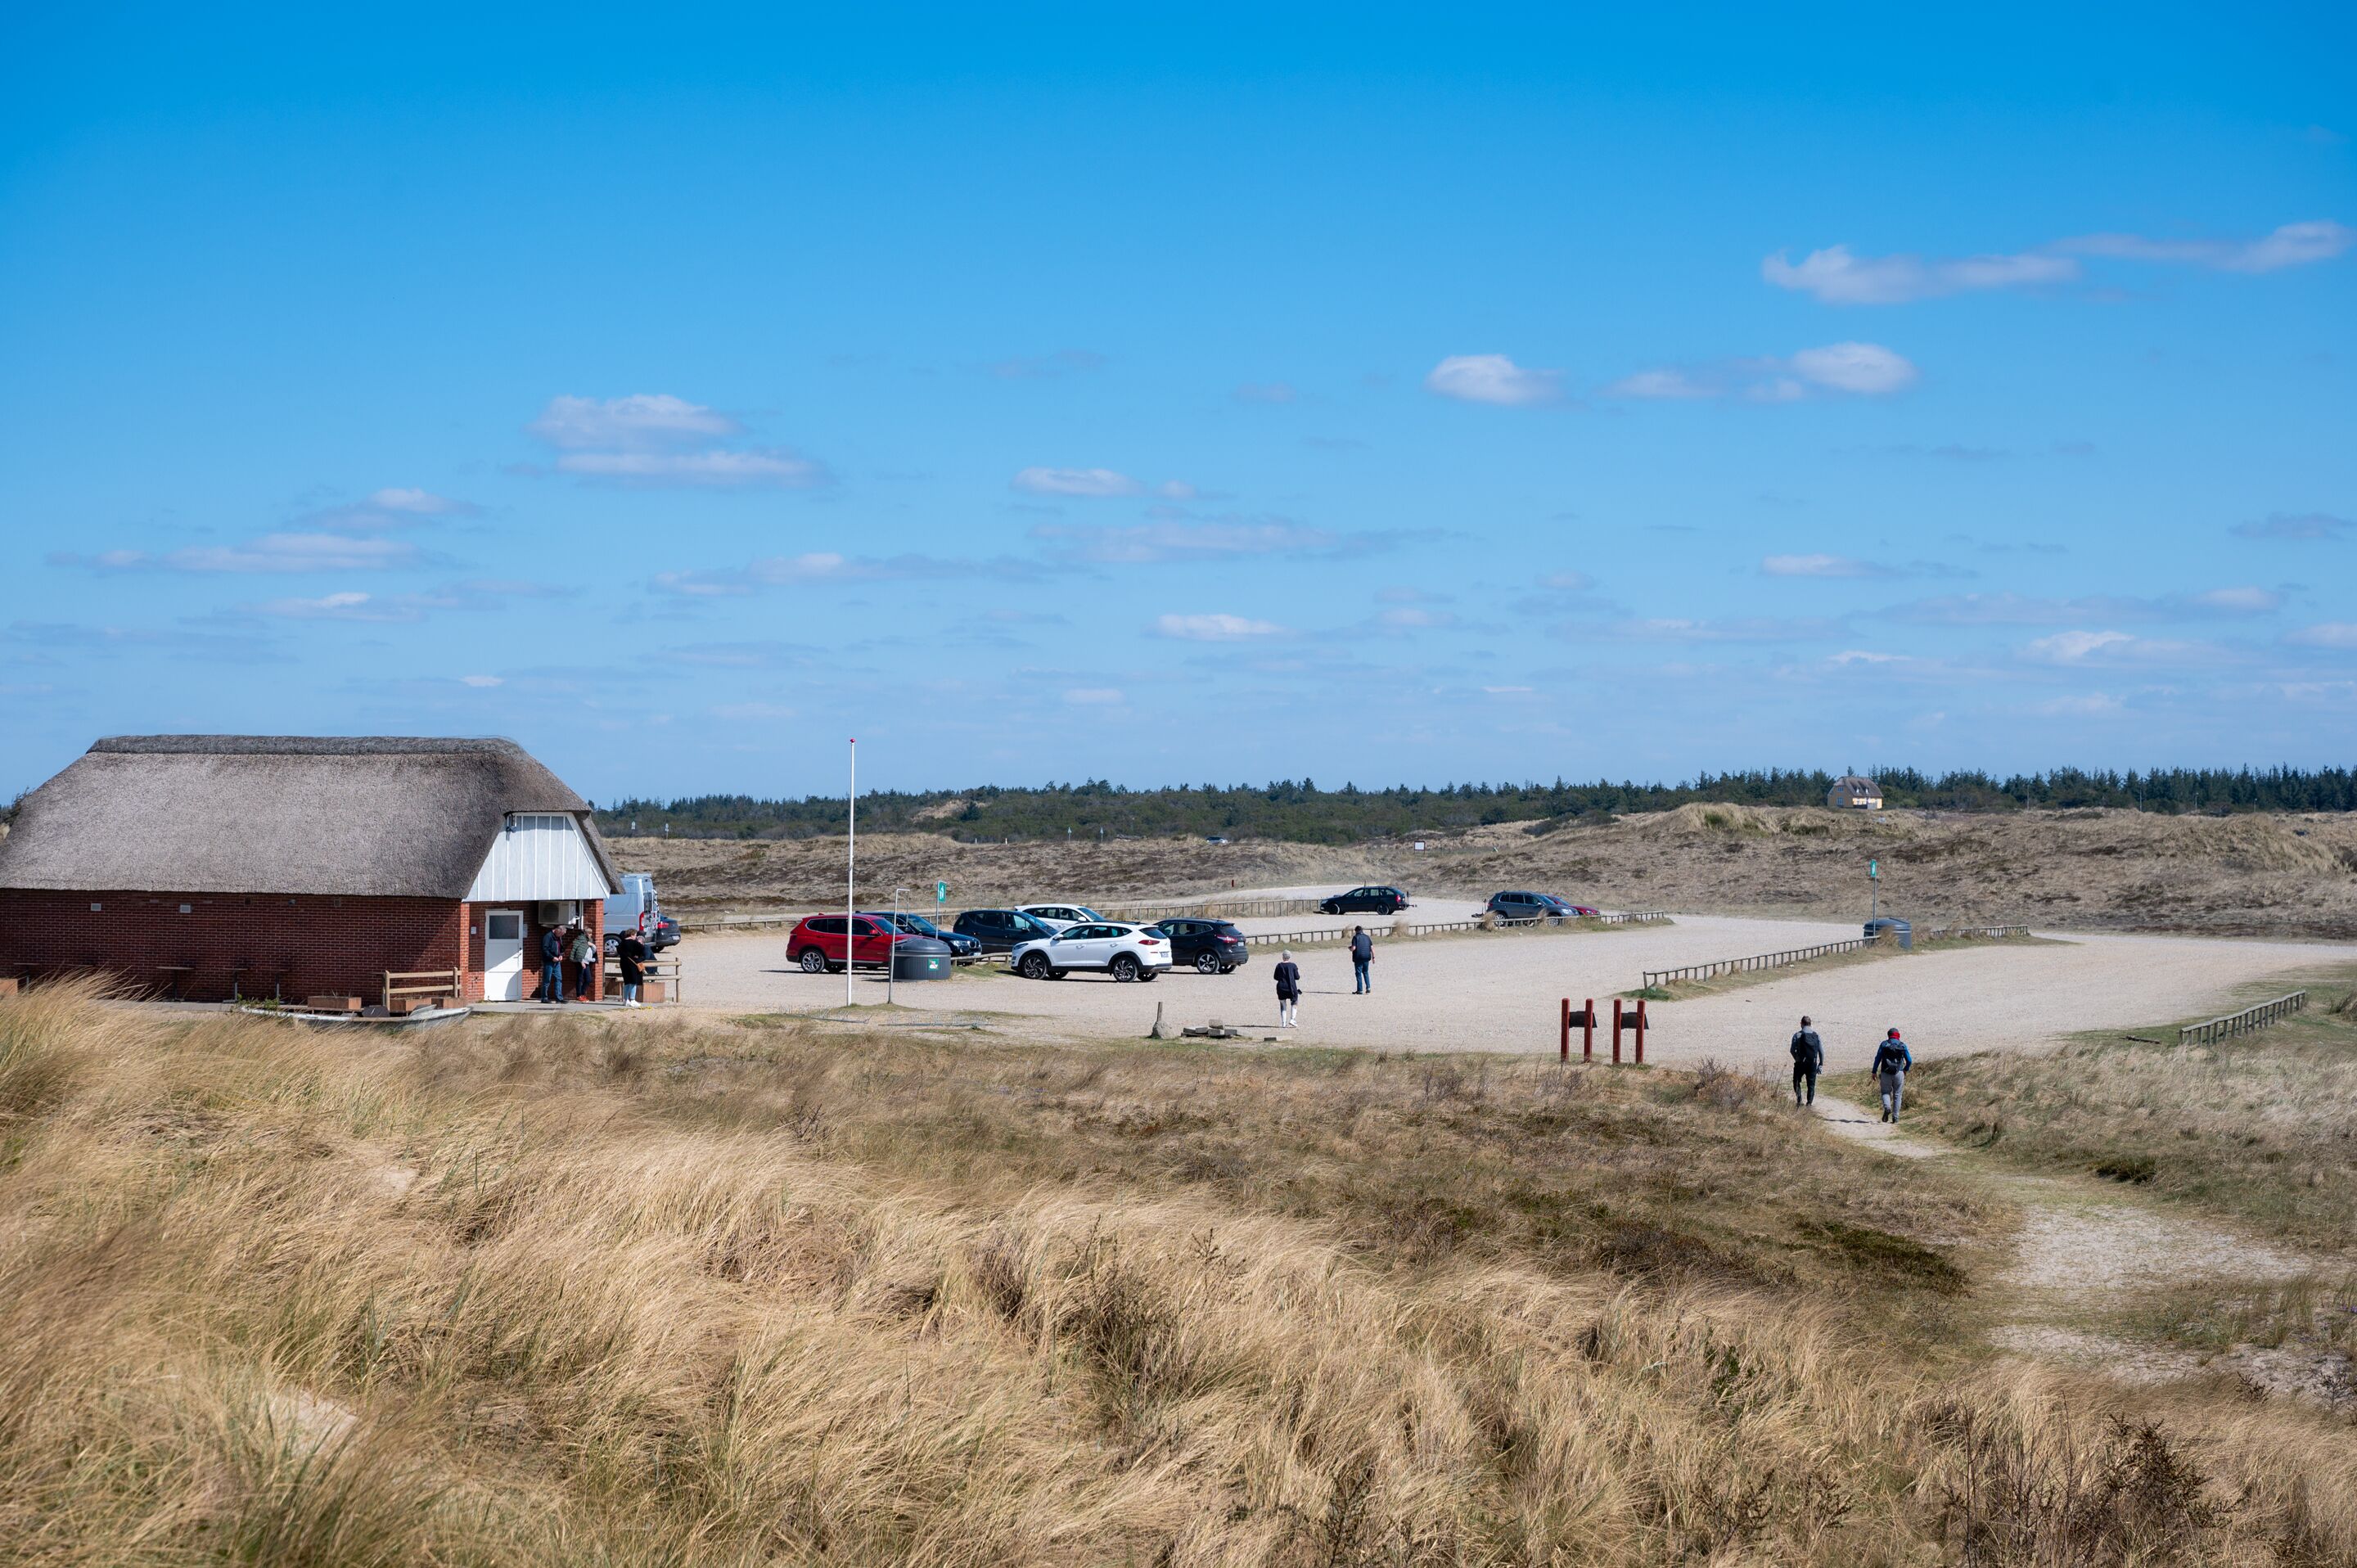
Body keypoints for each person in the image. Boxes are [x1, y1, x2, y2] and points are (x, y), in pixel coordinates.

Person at [1873, 1028, 1913, 1122]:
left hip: (1885, 1072)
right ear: (1898, 1035)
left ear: (1889, 1035)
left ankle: (1887, 1107)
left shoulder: (1884, 1044)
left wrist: (1874, 1071)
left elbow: (1877, 1058)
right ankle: (1895, 1117)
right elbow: (1910, 1060)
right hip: (1899, 1072)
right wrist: (1905, 1069)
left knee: (1885, 1092)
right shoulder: (1902, 1045)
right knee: (1898, 1095)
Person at [1789, 1014, 1823, 1106]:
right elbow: (1821, 1052)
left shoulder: (1797, 1035)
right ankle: (1809, 1103)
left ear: (1801, 1024)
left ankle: (1799, 1101)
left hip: (1800, 1063)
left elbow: (1792, 1050)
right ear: (1811, 1024)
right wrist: (1820, 1064)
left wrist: (1797, 1058)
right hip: (1812, 1063)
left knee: (1796, 1081)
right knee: (1811, 1085)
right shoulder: (1816, 1035)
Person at [616, 926, 648, 1007]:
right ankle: (632, 1000)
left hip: (623, 963)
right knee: (634, 982)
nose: (636, 937)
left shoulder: (621, 943)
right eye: (635, 935)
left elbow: (619, 952)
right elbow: (644, 950)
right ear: (632, 934)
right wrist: (639, 959)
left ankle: (625, 1000)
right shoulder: (634, 943)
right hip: (633, 964)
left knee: (627, 982)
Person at [537, 923, 566, 1003]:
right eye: (561, 934)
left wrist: (561, 955)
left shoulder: (559, 937)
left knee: (559, 979)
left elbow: (561, 949)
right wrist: (552, 957)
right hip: (549, 961)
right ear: (557, 930)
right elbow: (545, 949)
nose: (561, 936)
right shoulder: (548, 937)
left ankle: (559, 998)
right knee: (547, 980)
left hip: (557, 961)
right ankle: (544, 998)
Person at [1273, 948, 1301, 1029]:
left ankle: (1284, 1023)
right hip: (1291, 988)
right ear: (1289, 957)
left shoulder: (1279, 965)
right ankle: (1292, 1019)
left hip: (1281, 987)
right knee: (1294, 1002)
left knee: (1283, 1005)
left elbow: (1275, 977)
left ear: (1283, 957)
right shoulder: (1293, 966)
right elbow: (1297, 977)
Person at [570, 924, 598, 1003]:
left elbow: (593, 950)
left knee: (588, 979)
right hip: (580, 962)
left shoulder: (589, 941)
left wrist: (592, 945)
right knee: (580, 979)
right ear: (586, 934)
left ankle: (582, 994)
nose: (591, 935)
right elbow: (579, 952)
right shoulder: (580, 940)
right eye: (590, 933)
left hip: (587, 962)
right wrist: (581, 962)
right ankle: (579, 995)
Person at [1350, 925, 1374, 994]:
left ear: (1356, 931)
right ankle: (1368, 988)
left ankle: (1360, 990)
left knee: (1358, 973)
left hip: (1358, 958)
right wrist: (1374, 957)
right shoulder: (1367, 937)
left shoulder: (1355, 937)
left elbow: (1353, 948)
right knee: (1366, 972)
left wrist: (1350, 948)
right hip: (1367, 957)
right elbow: (1372, 948)